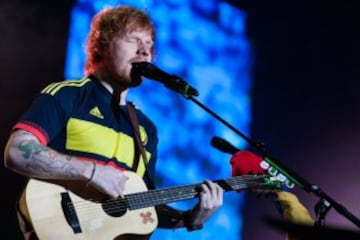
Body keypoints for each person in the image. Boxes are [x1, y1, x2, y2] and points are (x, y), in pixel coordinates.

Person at [4, 5, 223, 239]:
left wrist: (190, 218)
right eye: (134, 40)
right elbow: (17, 151)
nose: (144, 52)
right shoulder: (69, 95)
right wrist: (92, 171)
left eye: (149, 45)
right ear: (102, 45)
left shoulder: (146, 129)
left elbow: (141, 205)